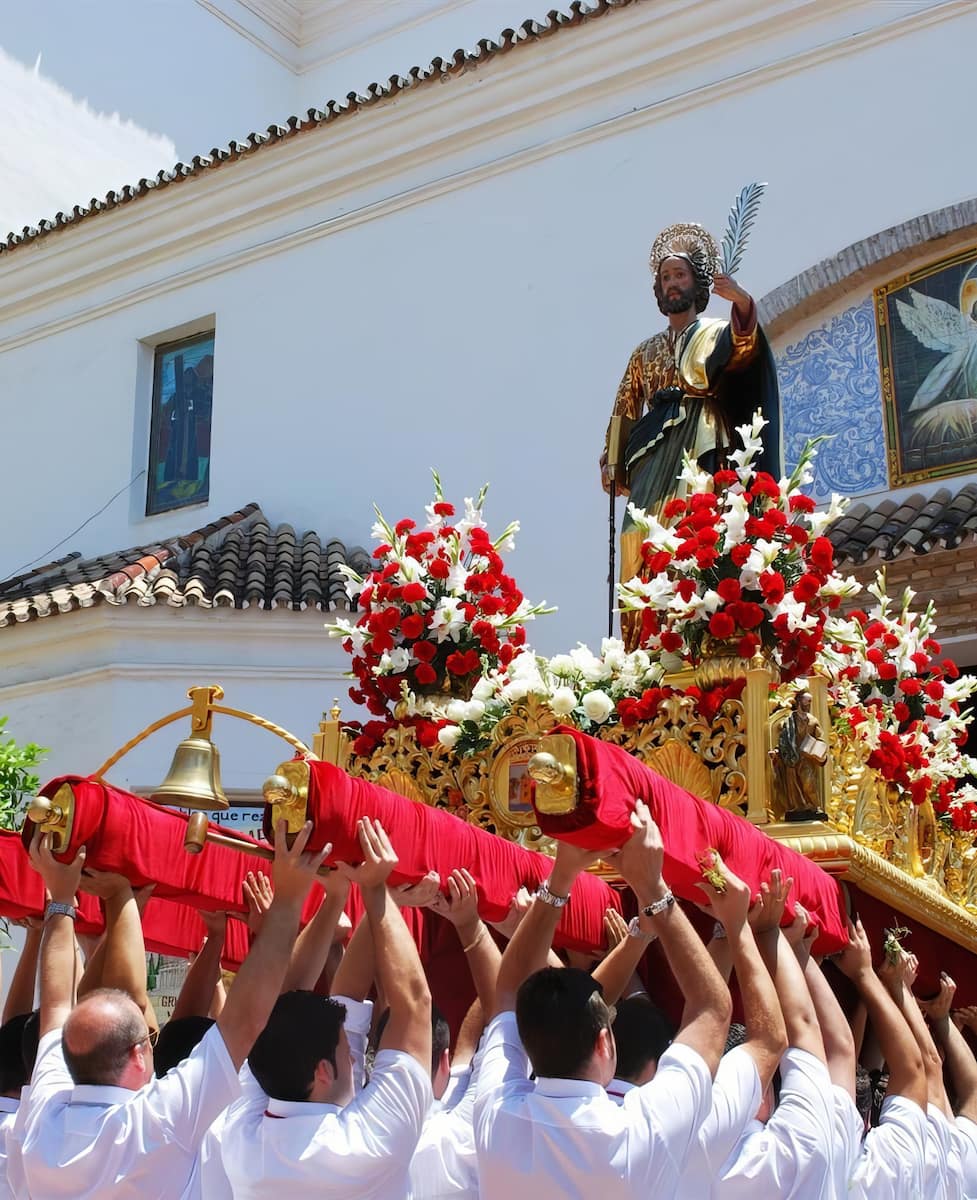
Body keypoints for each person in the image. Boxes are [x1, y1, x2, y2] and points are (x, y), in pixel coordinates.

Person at [18, 820, 328, 1200]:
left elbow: (53, 1007)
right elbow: (56, 1007)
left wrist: (288, 900)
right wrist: (61, 897)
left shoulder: (42, 1121)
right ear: (139, 1055)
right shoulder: (154, 1122)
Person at [474, 799, 733, 1198]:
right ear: (604, 1042)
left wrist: (563, 878)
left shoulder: (496, 1116)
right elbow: (713, 1011)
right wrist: (650, 887)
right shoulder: (638, 1132)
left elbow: (507, 989)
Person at [220, 816, 433, 1199]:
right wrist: (374, 890)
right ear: (322, 1071)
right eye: (344, 1050)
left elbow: (288, 1007)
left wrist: (345, 898)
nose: (352, 1059)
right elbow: (414, 1004)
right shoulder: (364, 1145)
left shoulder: (243, 1136)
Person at [601, 222, 780, 631]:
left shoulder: (716, 331)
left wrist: (742, 302)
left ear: (696, 282)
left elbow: (743, 350)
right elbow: (625, 410)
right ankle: (640, 642)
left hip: (703, 442)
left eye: (679, 275)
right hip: (653, 454)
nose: (672, 283)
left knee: (694, 533)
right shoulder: (643, 352)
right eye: (665, 277)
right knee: (636, 537)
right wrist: (611, 460)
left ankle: (695, 624)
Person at [770, 691, 828, 822]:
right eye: (807, 701)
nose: (809, 704)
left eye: (810, 702)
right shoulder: (788, 722)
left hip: (806, 759)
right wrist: (777, 752)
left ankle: (814, 807)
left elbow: (821, 739)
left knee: (809, 784)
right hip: (792, 758)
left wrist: (819, 751)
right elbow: (783, 741)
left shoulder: (813, 721)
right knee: (793, 787)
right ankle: (799, 808)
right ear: (799, 701)